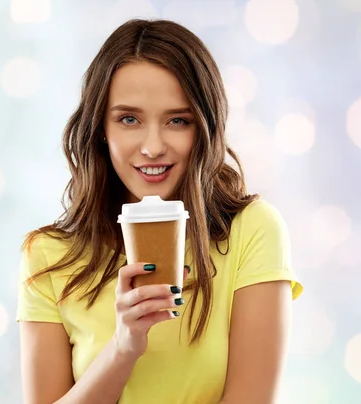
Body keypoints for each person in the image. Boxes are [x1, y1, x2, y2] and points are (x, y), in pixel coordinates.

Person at [16, 19, 303, 404]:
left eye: (177, 121)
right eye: (129, 119)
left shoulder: (252, 230)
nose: (153, 147)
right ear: (101, 128)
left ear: (205, 127)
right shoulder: (48, 254)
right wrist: (124, 347)